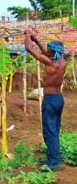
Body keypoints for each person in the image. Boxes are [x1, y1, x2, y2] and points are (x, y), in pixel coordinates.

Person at [24, 30, 68, 171]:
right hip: (59, 99)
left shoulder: (49, 63)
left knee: (49, 131)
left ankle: (55, 163)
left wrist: (27, 35)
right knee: (54, 129)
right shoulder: (62, 62)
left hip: (49, 100)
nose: (46, 51)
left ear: (52, 52)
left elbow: (28, 49)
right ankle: (51, 157)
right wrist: (35, 39)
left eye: (49, 50)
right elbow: (45, 51)